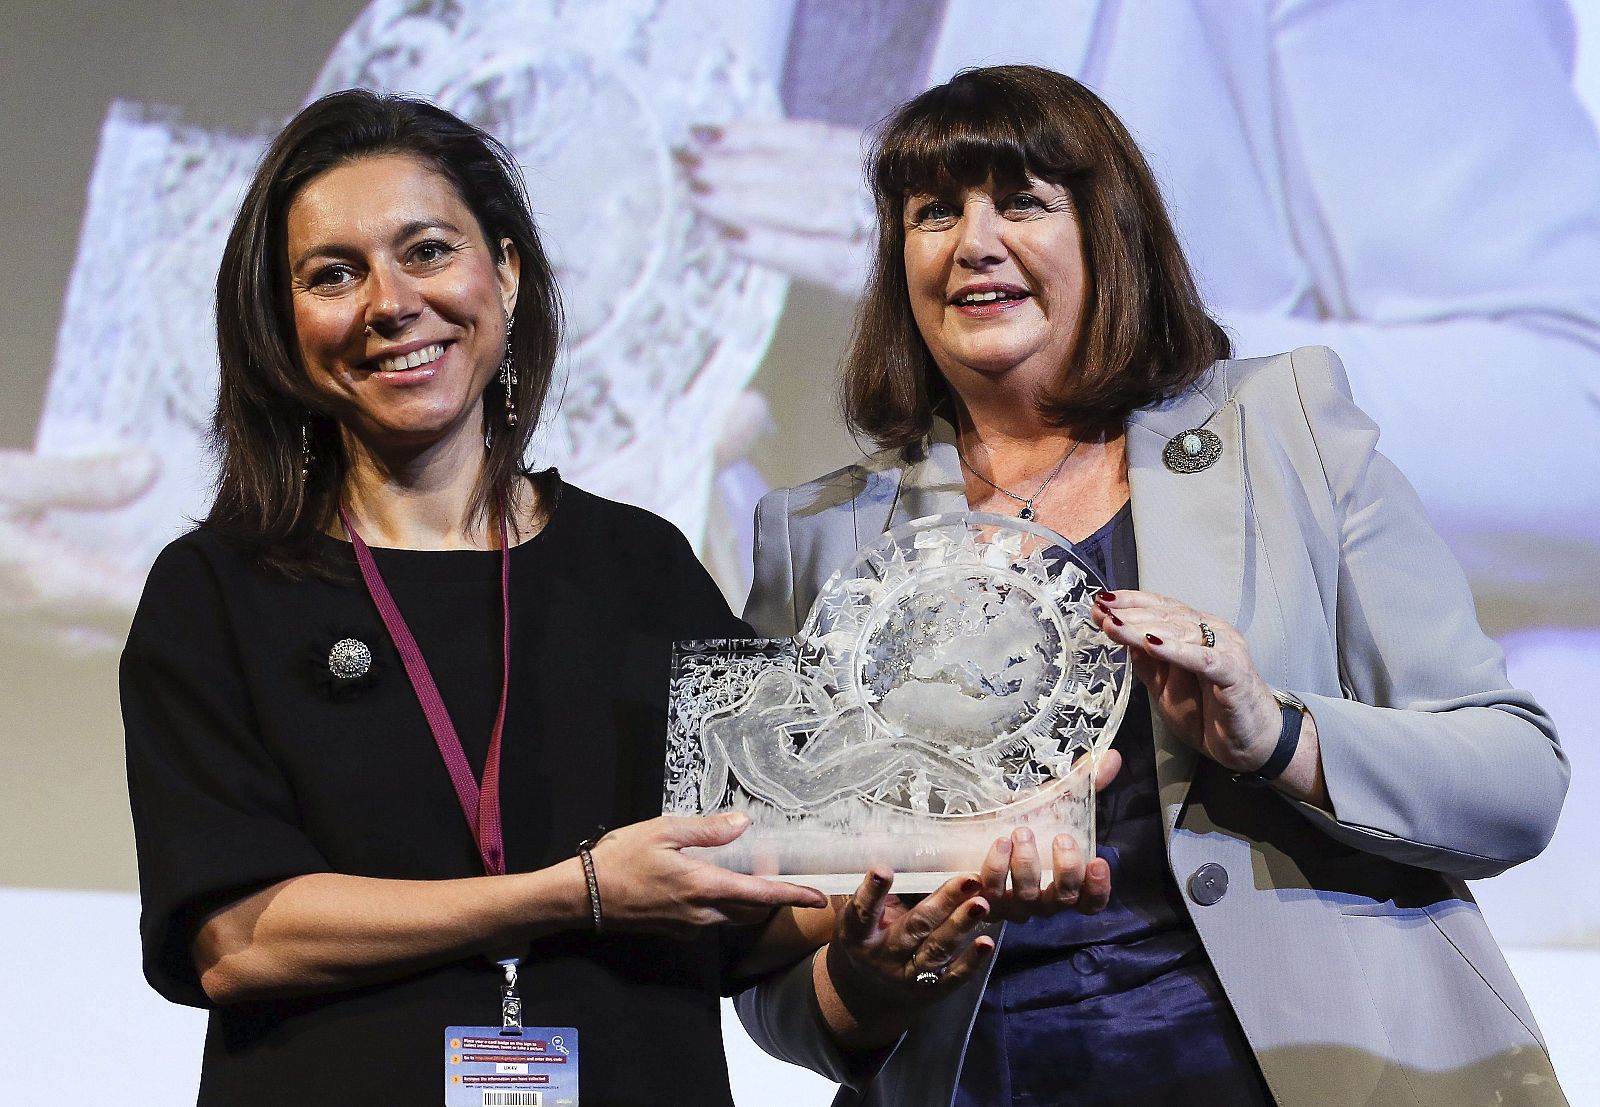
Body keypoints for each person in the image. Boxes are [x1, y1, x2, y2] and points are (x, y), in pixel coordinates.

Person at [734, 66, 1570, 1106]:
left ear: (1109, 234)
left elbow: (1516, 780)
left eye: (1021, 202)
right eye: (933, 213)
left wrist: (1277, 737)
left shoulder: (1287, 427)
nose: (973, 243)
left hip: (1303, 1074)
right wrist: (871, 971)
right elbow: (758, 943)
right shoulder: (816, 533)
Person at [120, 89, 834, 1106]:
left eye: (427, 251)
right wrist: (573, 894)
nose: (390, 302)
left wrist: (923, 895)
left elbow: (762, 894)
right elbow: (238, 941)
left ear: (503, 271)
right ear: (283, 322)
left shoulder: (643, 564)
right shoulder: (217, 592)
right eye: (333, 274)